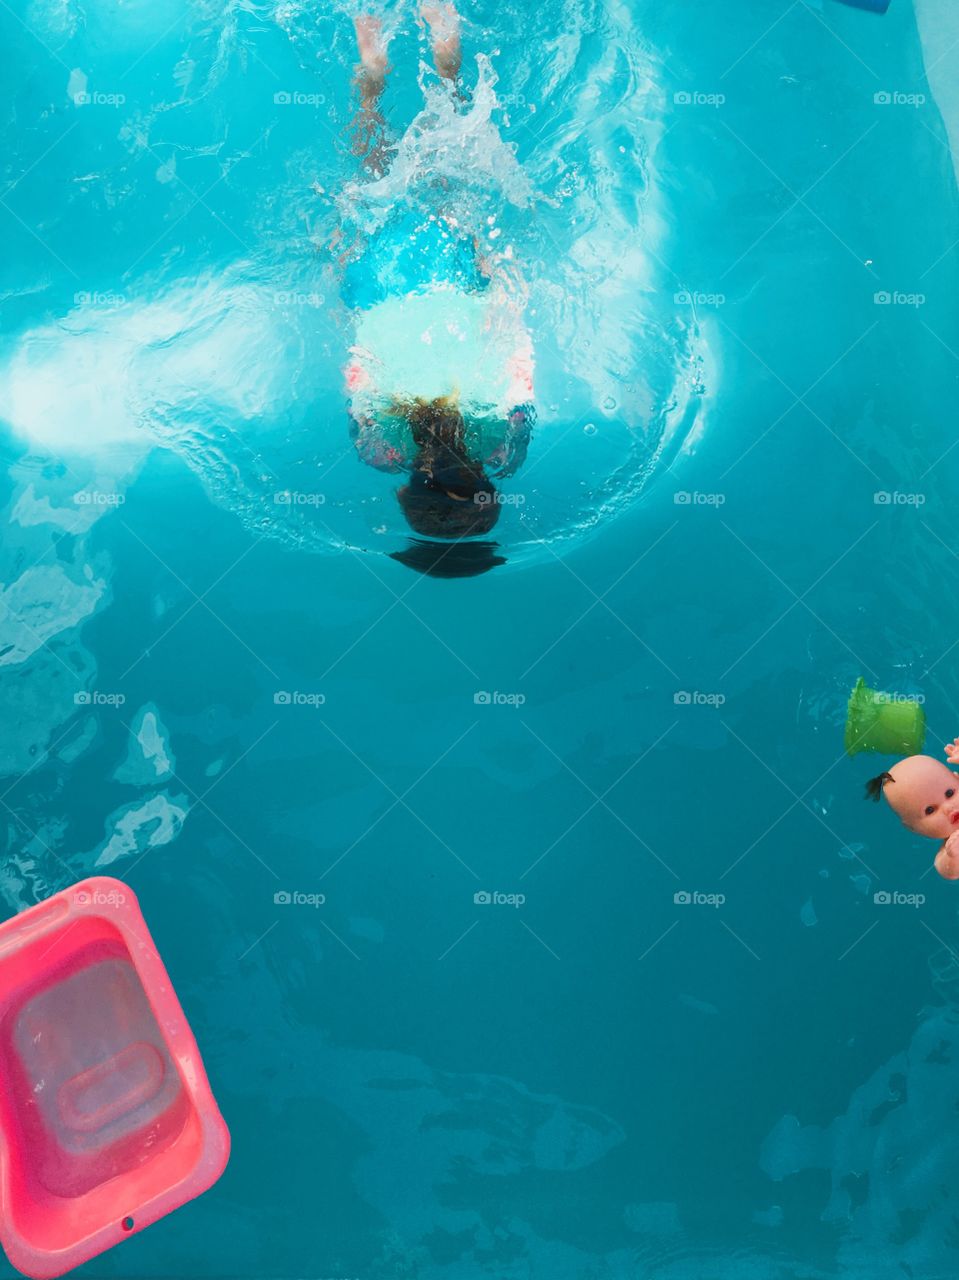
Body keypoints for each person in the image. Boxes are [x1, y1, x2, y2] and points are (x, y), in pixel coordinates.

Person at [341, 3, 535, 543]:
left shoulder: (505, 445)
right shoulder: (377, 450)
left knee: (446, 172)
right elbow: (357, 360)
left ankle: (442, 60)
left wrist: (499, 275)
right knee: (374, 175)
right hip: (382, 293)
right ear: (410, 490)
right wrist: (345, 279)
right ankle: (373, 79)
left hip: (449, 290)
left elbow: (514, 341)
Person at [866, 741, 959, 880]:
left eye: (950, 793)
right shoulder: (950, 847)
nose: (948, 808)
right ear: (914, 828)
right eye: (930, 810)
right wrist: (952, 856)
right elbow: (948, 871)